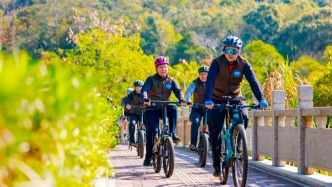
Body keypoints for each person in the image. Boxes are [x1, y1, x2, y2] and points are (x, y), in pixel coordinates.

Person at [204, 35, 268, 178]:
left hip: (235, 97)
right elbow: (209, 82)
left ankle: (239, 141)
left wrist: (261, 99)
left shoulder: (244, 64)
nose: (231, 54)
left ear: (239, 51)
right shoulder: (217, 63)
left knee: (244, 117)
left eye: (234, 51)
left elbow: (253, 82)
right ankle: (216, 165)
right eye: (228, 51)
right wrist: (208, 99)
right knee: (217, 130)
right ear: (224, 51)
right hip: (216, 98)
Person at [141, 56, 186, 166]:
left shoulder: (171, 80)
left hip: (165, 106)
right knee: (152, 130)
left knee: (173, 108)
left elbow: (178, 91)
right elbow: (144, 90)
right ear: (156, 68)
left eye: (165, 67)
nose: (163, 69)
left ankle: (172, 133)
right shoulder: (151, 79)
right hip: (152, 108)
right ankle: (148, 157)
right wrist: (145, 98)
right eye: (161, 67)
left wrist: (181, 99)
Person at [185, 65, 210, 151]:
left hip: (209, 108)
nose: (204, 76)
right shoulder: (195, 82)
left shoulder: (213, 82)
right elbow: (189, 92)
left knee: (213, 124)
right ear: (199, 75)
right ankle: (193, 144)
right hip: (197, 107)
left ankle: (211, 144)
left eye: (206, 74)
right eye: (202, 74)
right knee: (195, 122)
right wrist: (188, 100)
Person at [125, 79, 145, 145]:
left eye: (140, 87)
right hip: (135, 113)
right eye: (137, 87)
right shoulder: (131, 94)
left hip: (144, 113)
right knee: (132, 123)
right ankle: (132, 141)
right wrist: (128, 105)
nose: (138, 89)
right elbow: (127, 100)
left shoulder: (145, 93)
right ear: (135, 88)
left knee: (150, 124)